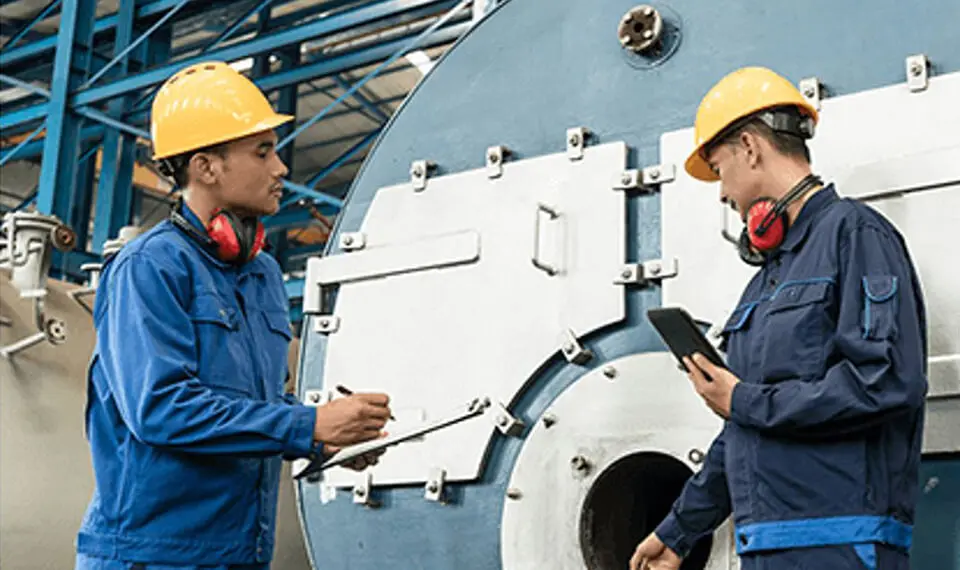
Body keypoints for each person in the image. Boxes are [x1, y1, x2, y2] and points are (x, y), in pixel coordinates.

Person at [75, 61, 392, 570]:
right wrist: (308, 424)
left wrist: (328, 439)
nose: (281, 169)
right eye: (262, 152)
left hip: (241, 551)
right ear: (206, 167)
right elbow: (160, 408)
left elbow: (256, 405)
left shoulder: (260, 272)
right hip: (153, 558)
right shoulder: (148, 268)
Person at [630, 67, 928, 570]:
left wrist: (742, 398)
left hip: (840, 545)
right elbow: (749, 424)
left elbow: (886, 383)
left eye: (720, 170)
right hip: (766, 547)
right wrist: (679, 531)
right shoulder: (765, 281)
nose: (723, 194)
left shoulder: (855, 235)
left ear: (749, 147)